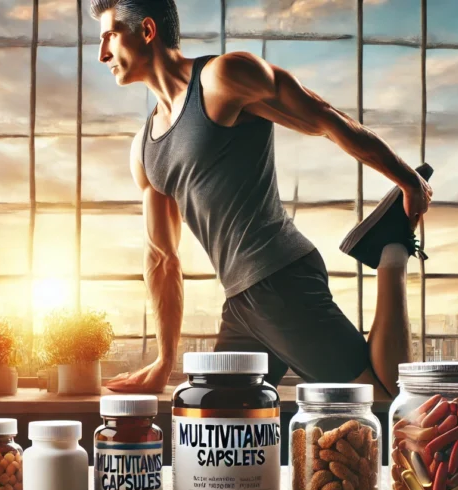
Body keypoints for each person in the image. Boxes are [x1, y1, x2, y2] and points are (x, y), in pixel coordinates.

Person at [94, 0, 433, 399]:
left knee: (378, 399)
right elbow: (161, 258)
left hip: (279, 279)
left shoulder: (223, 78)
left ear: (147, 31)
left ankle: (392, 251)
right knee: (222, 417)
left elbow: (324, 118)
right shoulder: (144, 149)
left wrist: (407, 179)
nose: (102, 54)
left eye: (110, 36)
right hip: (240, 302)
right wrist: (164, 359)